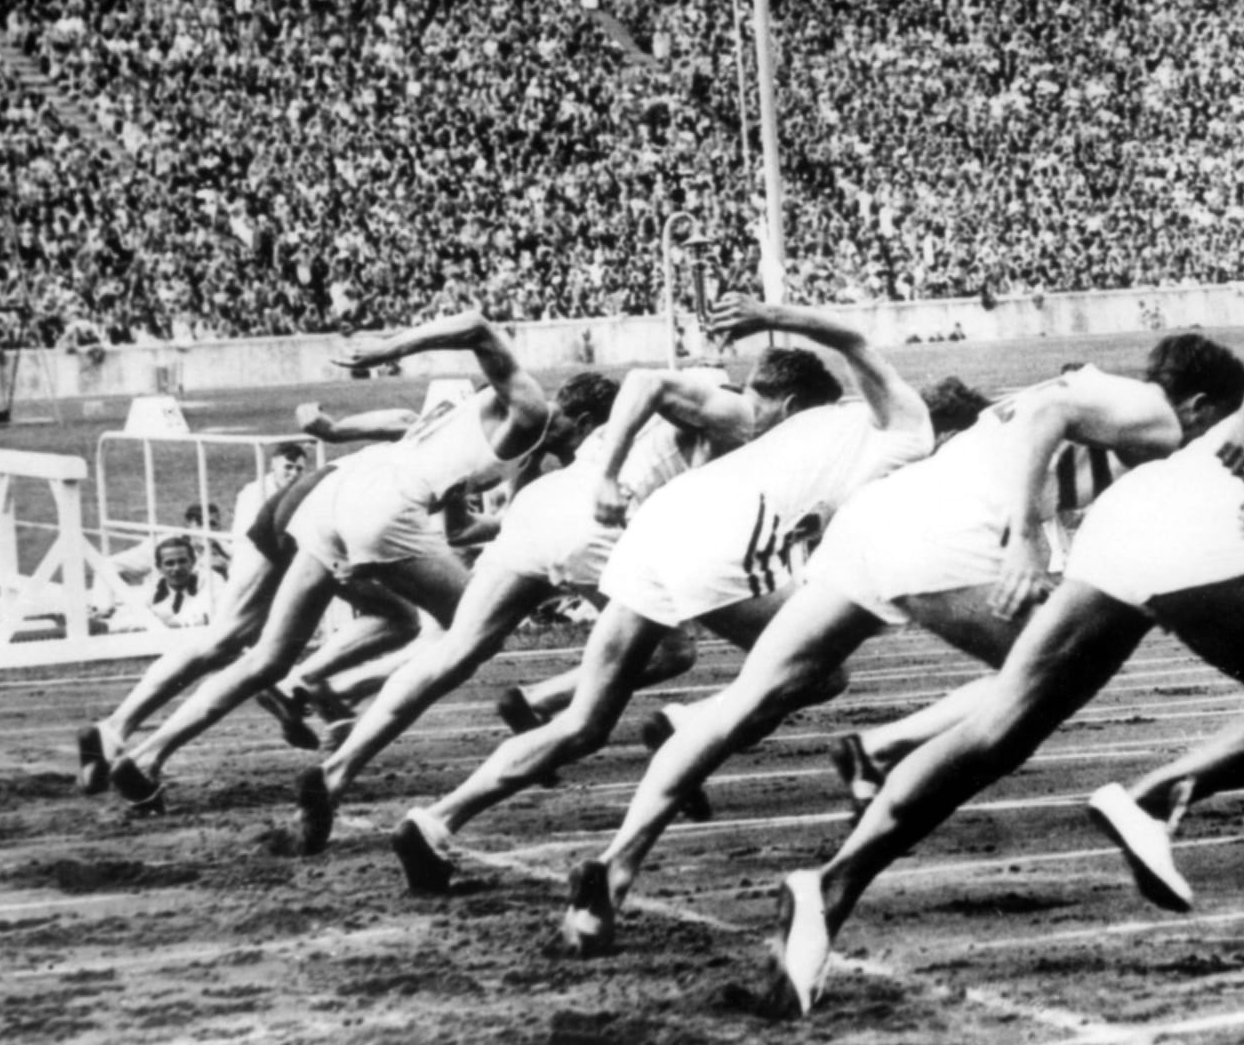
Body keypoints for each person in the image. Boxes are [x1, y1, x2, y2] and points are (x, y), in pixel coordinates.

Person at [761, 263, 1244, 1017]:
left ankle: (830, 887)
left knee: (1001, 726)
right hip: (1197, 524)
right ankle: (1156, 796)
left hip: (1135, 516)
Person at [560, 334, 1244, 954]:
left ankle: (617, 864)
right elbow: (1050, 420)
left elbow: (1046, 442)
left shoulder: (1102, 400)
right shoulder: (1155, 411)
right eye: (1219, 423)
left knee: (746, 700)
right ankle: (881, 757)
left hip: (880, 521)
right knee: (1036, 682)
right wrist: (1023, 536)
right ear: (1198, 403)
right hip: (946, 538)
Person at [387, 294, 935, 902]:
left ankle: (436, 820)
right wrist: (768, 315)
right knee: (819, 673)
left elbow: (832, 509)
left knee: (583, 724)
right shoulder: (907, 423)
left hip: (654, 527)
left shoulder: (818, 432)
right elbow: (852, 338)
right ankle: (670, 757)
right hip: (717, 538)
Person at [291, 352, 808, 854]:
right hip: (596, 527)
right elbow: (650, 384)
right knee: (666, 658)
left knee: (453, 652)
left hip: (541, 509)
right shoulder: (734, 411)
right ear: (788, 405)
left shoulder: (630, 428)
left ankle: (337, 770)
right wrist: (612, 480)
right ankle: (664, 732)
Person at [104, 311, 613, 819]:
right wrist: (389, 350)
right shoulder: (528, 410)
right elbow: (477, 326)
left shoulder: (510, 444)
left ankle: (149, 757)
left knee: (269, 659)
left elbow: (462, 530)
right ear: (585, 422)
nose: (580, 455)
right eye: (589, 441)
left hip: (341, 495)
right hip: (385, 509)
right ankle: (343, 744)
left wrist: (455, 504)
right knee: (466, 637)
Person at [74, 404, 418, 796]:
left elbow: (402, 421)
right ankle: (302, 683)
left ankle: (115, 728)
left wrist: (335, 428)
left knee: (226, 636)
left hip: (301, 497)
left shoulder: (435, 423)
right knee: (401, 620)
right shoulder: (471, 442)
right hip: (333, 517)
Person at [232, 443, 309, 536]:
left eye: (299, 469)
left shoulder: (302, 491)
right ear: (273, 465)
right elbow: (248, 536)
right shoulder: (255, 493)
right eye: (288, 467)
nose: (294, 473)